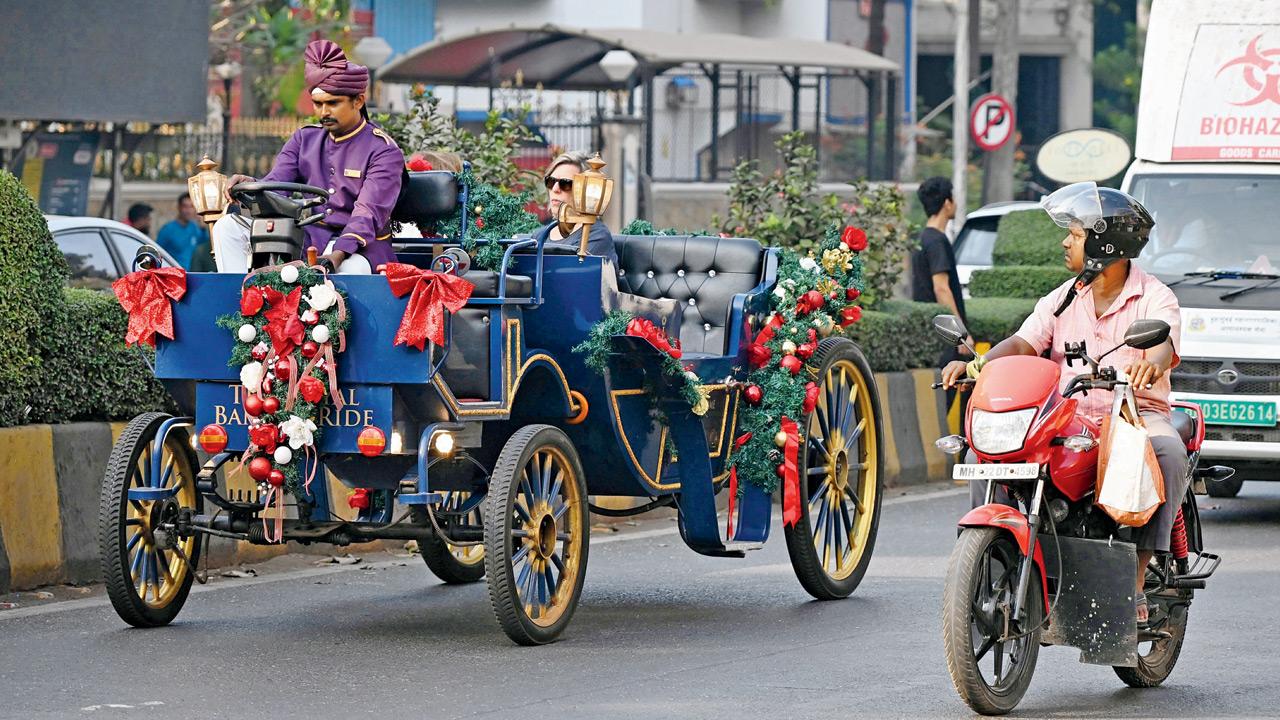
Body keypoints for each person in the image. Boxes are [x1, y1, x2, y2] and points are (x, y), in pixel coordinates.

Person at [941, 182, 1186, 624]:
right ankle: (991, 559)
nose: (1065, 242)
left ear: (1103, 243)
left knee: (1165, 450)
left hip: (1132, 416)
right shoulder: (1065, 296)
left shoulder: (1154, 297)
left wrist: (1151, 363)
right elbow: (1022, 341)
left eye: (1074, 235)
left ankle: (1135, 581)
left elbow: (1163, 344)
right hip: (1069, 418)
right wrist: (979, 365)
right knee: (986, 452)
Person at [211, 39, 404, 274]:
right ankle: (240, 301)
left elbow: (368, 213)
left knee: (350, 270)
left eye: (333, 103)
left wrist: (336, 256)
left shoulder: (383, 150)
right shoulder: (305, 139)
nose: (324, 112)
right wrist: (252, 186)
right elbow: (276, 186)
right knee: (227, 228)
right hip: (308, 239)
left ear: (358, 101)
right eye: (318, 104)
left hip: (360, 248)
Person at [912, 177, 971, 410]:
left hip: (931, 331)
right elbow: (941, 288)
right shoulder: (937, 241)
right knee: (948, 396)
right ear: (947, 203)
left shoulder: (922, 238)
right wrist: (961, 334)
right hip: (944, 336)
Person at [531, 151, 618, 267]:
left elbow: (571, 277)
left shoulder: (596, 236)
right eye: (551, 181)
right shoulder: (540, 235)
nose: (555, 189)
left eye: (566, 184)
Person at [155, 193, 209, 270]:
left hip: (192, 275)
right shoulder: (167, 229)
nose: (188, 210)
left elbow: (205, 248)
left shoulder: (196, 227)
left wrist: (203, 228)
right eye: (185, 206)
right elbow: (157, 253)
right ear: (179, 208)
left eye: (191, 207)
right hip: (174, 276)